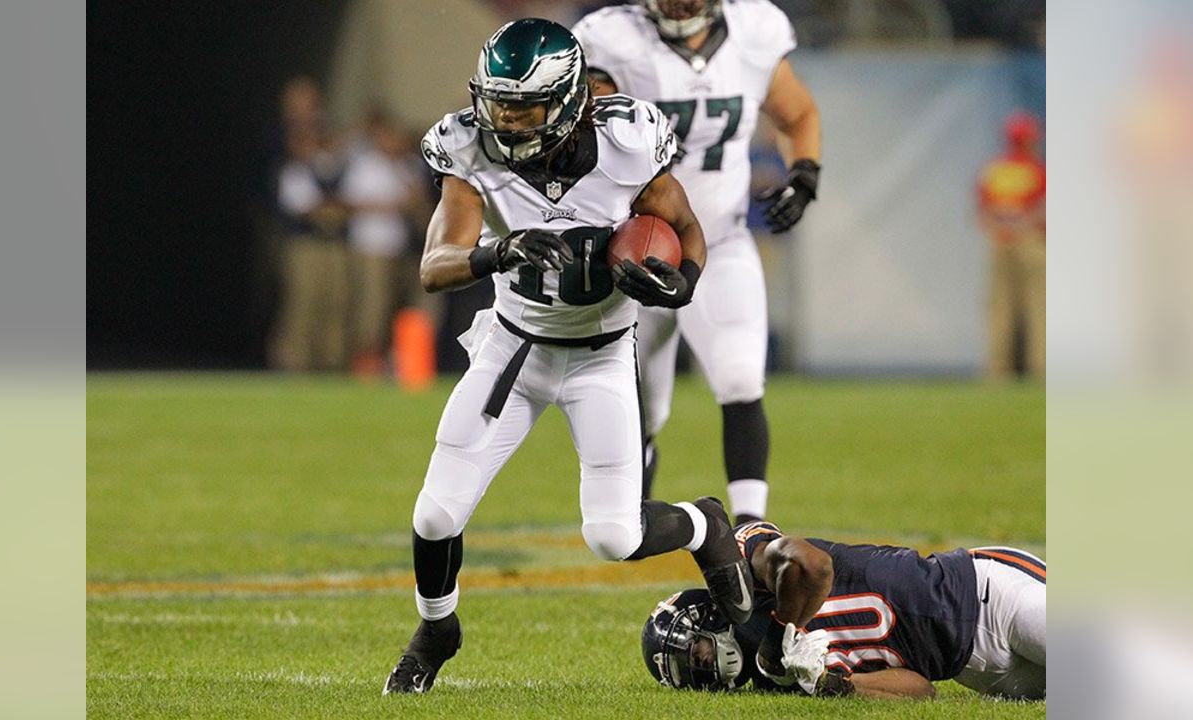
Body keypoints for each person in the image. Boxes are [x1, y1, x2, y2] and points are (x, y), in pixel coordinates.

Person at [383, 18, 755, 695]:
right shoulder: (471, 150)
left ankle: (704, 522)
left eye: (520, 105)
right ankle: (437, 629)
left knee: (613, 536)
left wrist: (686, 281)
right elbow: (434, 266)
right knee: (434, 515)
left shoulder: (627, 142)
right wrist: (497, 250)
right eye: (495, 102)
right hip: (513, 353)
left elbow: (688, 228)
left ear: (566, 100)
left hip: (601, 355)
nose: (503, 118)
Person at [573, 0, 823, 523]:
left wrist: (804, 177)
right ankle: (631, 510)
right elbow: (577, 137)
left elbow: (798, 114)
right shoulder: (612, 39)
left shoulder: (755, 31)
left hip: (722, 240)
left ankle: (751, 524)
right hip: (639, 247)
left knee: (740, 377)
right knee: (640, 403)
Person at [641, 519, 1046, 700]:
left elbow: (814, 566)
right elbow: (921, 689)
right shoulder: (774, 680)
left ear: (712, 615)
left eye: (695, 654)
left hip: (989, 595)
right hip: (973, 671)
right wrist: (834, 685)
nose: (701, 670)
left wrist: (781, 632)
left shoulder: (752, 572)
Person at [270, 80, 354, 372]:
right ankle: (294, 364)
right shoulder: (282, 152)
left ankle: (330, 365)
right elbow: (300, 204)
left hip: (332, 242)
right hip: (302, 242)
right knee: (302, 303)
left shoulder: (326, 152)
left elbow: (344, 191)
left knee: (335, 304)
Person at [344, 107, 430, 377]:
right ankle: (364, 364)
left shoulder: (409, 166)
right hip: (371, 247)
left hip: (401, 248)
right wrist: (393, 206)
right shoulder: (365, 164)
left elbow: (419, 203)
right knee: (373, 308)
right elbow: (351, 203)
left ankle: (391, 363)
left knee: (399, 307)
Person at [977, 111, 1046, 380]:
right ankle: (1040, 367)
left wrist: (1001, 229)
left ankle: (997, 369)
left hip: (999, 242)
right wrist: (1022, 228)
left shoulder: (995, 170)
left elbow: (982, 212)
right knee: (1038, 305)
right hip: (1030, 242)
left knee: (1000, 307)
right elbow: (1043, 210)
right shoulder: (1036, 170)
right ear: (1027, 141)